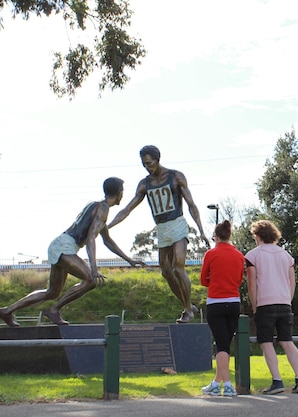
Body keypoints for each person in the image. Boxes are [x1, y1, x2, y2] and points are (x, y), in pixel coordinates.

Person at [0, 177, 145, 327]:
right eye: (123, 192)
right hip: (64, 246)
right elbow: (90, 238)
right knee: (90, 280)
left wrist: (129, 260)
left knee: (52, 292)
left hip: (60, 245)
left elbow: (107, 240)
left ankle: (7, 311)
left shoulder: (97, 207)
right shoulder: (103, 209)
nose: (123, 195)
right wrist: (93, 268)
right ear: (119, 193)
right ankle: (54, 309)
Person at [108, 145, 210, 324]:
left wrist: (201, 230)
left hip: (177, 224)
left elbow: (191, 204)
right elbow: (127, 208)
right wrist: (108, 226)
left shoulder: (175, 176)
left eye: (149, 163)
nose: (147, 167)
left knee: (179, 267)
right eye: (143, 164)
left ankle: (187, 310)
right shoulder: (144, 184)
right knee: (166, 272)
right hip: (162, 229)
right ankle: (188, 304)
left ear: (158, 159)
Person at [245, 220, 298, 395]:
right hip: (285, 303)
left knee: (266, 343)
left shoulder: (253, 256)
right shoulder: (287, 256)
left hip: (265, 304)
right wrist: (288, 299)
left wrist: (255, 307)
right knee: (287, 341)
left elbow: (252, 285)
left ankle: (277, 381)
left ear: (257, 236)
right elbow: (292, 282)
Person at [199, 220, 245, 397]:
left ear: (216, 237)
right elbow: (239, 280)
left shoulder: (211, 254)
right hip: (233, 303)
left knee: (221, 345)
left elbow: (204, 280)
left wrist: (215, 281)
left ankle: (227, 385)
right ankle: (215, 383)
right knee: (225, 344)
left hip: (216, 303)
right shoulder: (239, 255)